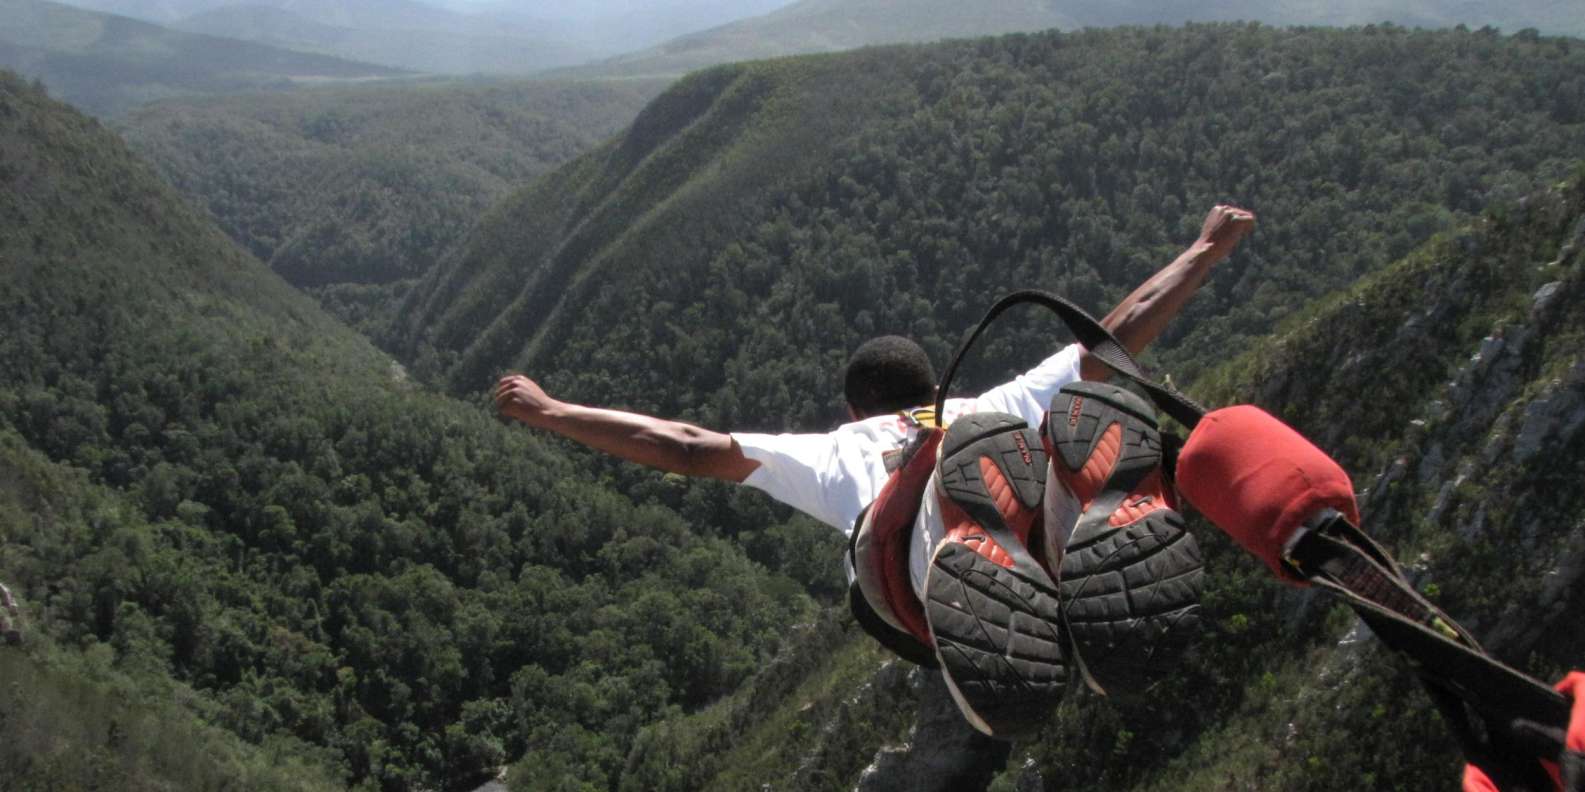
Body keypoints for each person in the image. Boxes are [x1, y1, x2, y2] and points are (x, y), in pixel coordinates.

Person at [496, 205, 1256, 737]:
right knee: (1043, 438)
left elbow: (687, 447)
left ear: (855, 406)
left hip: (926, 579)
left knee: (899, 547)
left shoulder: (838, 450)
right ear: (931, 389)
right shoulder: (991, 402)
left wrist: (552, 411)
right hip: (1009, 470)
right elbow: (1115, 335)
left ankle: (967, 543)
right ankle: (1075, 518)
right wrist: (1204, 249)